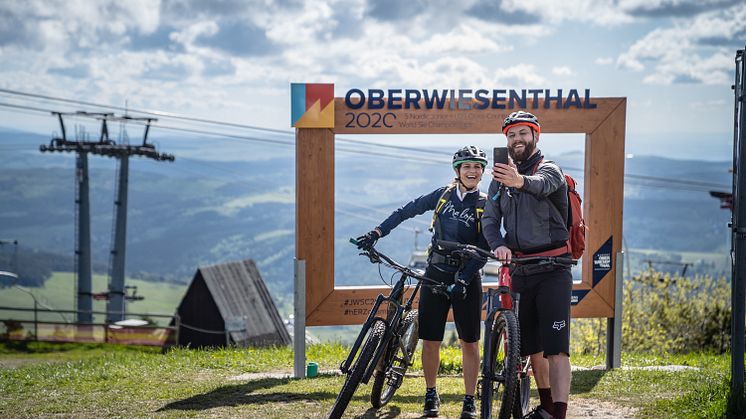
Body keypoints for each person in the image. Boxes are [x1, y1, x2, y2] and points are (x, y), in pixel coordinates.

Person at [355, 146, 490, 419]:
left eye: (477, 167)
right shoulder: (442, 195)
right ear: (458, 171)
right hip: (435, 273)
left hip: (467, 278)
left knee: (470, 342)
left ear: (482, 171)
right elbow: (407, 210)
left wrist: (463, 279)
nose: (473, 171)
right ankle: (431, 393)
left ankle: (469, 400)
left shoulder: (486, 204)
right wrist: (378, 232)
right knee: (430, 340)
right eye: (467, 166)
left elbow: (485, 248)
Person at [481, 111, 573, 419]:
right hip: (520, 269)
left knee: (556, 349)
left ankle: (558, 413)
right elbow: (490, 220)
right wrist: (498, 244)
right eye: (511, 135)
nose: (517, 139)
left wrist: (519, 180)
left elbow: (542, 185)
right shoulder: (499, 180)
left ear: (536, 135)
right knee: (532, 347)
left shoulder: (550, 169)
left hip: (553, 270)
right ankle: (545, 407)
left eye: (523, 133)